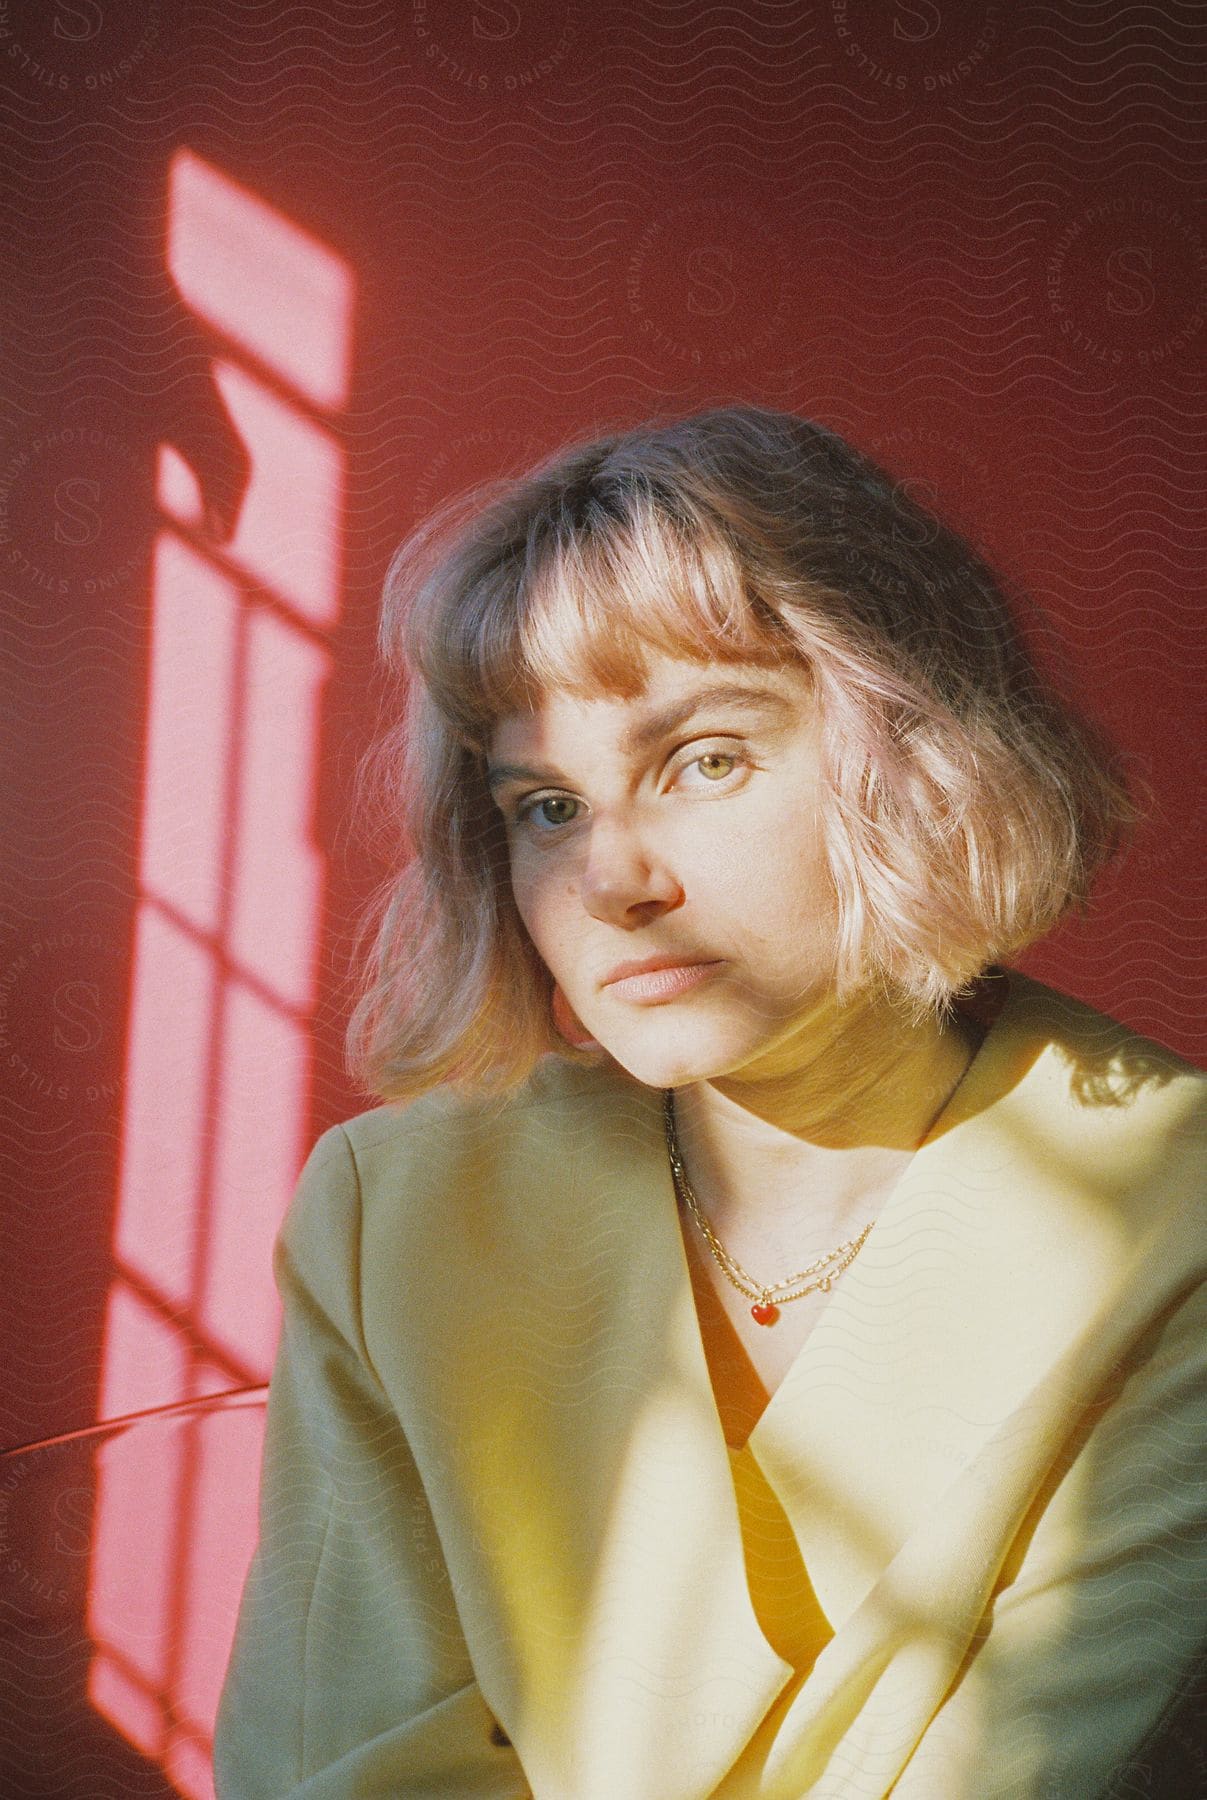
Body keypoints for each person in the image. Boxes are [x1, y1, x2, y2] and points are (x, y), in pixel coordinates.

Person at [213, 405, 1206, 1798]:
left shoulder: (1171, 1216)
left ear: (915, 754)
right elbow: (339, 1771)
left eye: (704, 760)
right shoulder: (397, 1216)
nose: (614, 880)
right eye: (544, 806)